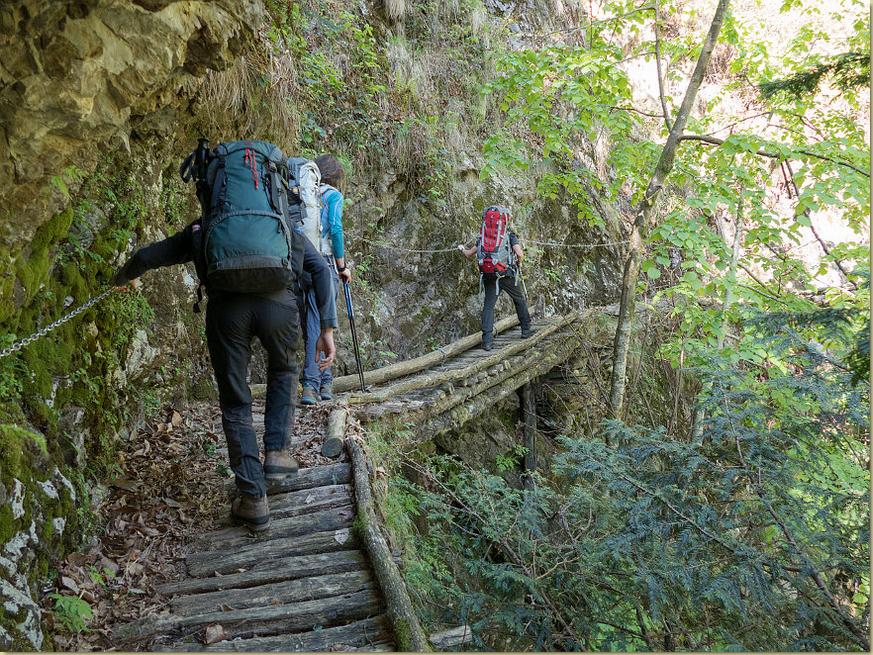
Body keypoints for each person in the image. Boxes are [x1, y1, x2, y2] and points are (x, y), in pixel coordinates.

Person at [112, 224, 337, 532]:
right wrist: (326, 330)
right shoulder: (279, 222)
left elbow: (150, 255)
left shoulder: (206, 226)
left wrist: (123, 277)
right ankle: (277, 453)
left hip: (227, 311)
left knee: (235, 399)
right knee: (284, 372)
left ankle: (253, 499)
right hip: (279, 307)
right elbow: (322, 270)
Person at [300, 154, 351, 405]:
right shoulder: (333, 196)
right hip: (326, 264)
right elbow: (336, 228)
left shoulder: (303, 193)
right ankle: (316, 384)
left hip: (302, 265)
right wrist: (342, 265)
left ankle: (320, 382)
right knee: (324, 323)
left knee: (312, 322)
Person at [458, 205, 531, 351]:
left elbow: (468, 254)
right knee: (519, 300)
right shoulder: (509, 235)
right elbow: (520, 253)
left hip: (489, 275)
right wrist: (519, 263)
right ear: (506, 220)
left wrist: (461, 249)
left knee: (489, 306)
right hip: (507, 274)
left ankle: (487, 341)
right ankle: (526, 331)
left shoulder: (483, 237)